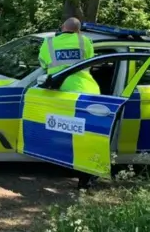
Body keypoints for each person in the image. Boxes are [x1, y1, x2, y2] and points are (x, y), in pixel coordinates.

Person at [38, 17, 101, 190]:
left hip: (61, 93)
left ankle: (65, 165)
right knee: (84, 136)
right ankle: (85, 178)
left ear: (62, 27)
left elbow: (43, 64)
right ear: (78, 30)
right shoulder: (85, 41)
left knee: (63, 131)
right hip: (86, 93)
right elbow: (90, 63)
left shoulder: (49, 43)